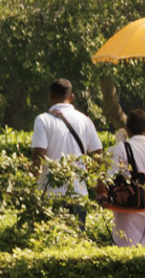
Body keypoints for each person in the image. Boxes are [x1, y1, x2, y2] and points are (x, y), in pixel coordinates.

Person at [30, 78, 103, 222]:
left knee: (48, 241)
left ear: (50, 97)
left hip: (49, 194)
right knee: (77, 241)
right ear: (71, 97)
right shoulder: (85, 121)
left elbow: (39, 156)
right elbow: (98, 155)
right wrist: (100, 188)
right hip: (78, 194)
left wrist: (30, 188)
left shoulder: (43, 120)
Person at [105, 107, 145, 246]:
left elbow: (111, 176)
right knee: (143, 248)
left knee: (125, 247)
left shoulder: (121, 148)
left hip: (127, 206)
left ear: (127, 129)